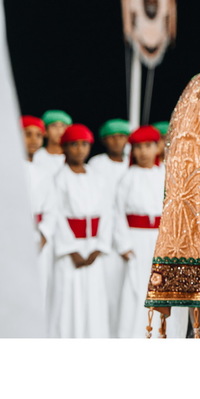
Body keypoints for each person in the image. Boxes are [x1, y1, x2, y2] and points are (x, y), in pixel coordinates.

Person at [39, 123, 116, 338]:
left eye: (84, 144)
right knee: (67, 300)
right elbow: (56, 215)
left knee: (94, 300)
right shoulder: (58, 179)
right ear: (65, 148)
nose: (80, 149)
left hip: (93, 248)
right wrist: (70, 249)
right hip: (69, 252)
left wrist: (99, 246)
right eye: (74, 145)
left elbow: (107, 213)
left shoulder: (98, 178)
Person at [111, 125, 167, 338]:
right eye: (138, 147)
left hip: (160, 240)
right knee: (135, 290)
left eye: (148, 146)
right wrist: (124, 245)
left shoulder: (164, 174)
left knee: (161, 289)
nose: (143, 152)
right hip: (135, 240)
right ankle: (133, 336)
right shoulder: (127, 178)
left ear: (157, 147)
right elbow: (116, 212)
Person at [89, 118, 132, 337]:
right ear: (105, 140)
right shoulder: (96, 164)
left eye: (122, 136)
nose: (118, 141)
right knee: (105, 292)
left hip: (128, 238)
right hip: (105, 239)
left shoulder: (132, 164)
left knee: (127, 295)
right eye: (113, 137)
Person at [21, 114, 56, 309]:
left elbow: (52, 209)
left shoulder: (44, 172)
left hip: (39, 239)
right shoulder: (9, 168)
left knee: (40, 289)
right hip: (16, 237)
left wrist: (43, 235)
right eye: (27, 134)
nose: (34, 140)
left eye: (38, 135)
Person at [33, 109, 73, 177]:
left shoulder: (74, 157)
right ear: (45, 131)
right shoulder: (36, 156)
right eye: (54, 125)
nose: (59, 130)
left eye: (63, 126)